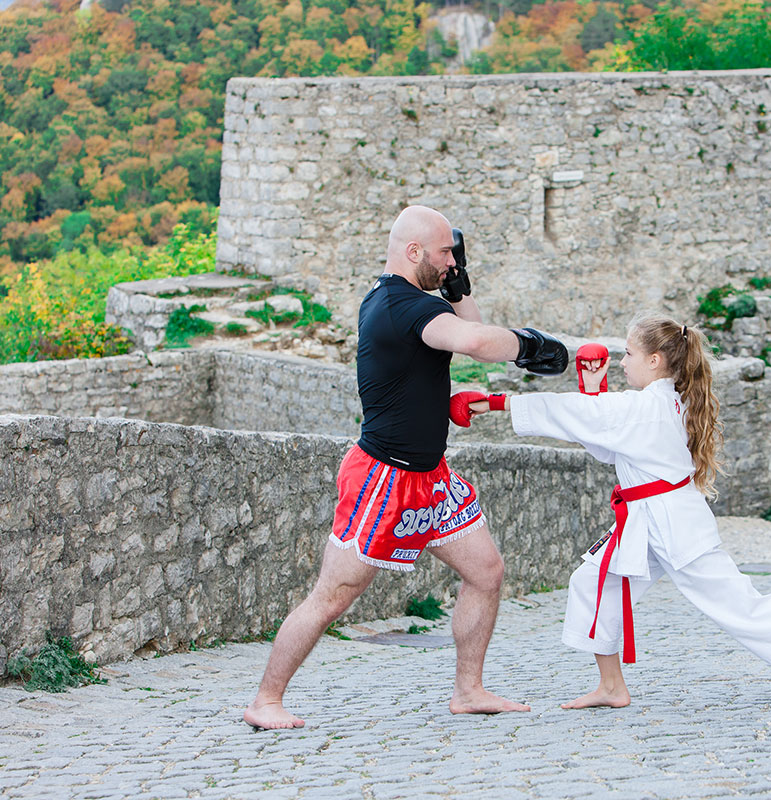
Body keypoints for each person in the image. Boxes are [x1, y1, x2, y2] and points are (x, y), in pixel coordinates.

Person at [243, 205, 569, 730]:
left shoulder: (404, 301)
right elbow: (476, 342)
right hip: (383, 479)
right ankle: (266, 700)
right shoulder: (401, 306)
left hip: (430, 477)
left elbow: (467, 326)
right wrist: (529, 345)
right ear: (413, 252)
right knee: (333, 597)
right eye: (445, 253)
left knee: (486, 572)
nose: (451, 261)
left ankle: (469, 690)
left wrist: (459, 288)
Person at [450, 315, 771, 710]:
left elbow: (584, 415)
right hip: (646, 522)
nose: (622, 362)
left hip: (675, 527)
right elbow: (607, 439)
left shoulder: (648, 407)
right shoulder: (655, 403)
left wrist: (495, 402)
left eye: (629, 354)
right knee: (593, 583)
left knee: (743, 606)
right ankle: (612, 687)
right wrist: (596, 393)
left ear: (655, 360)